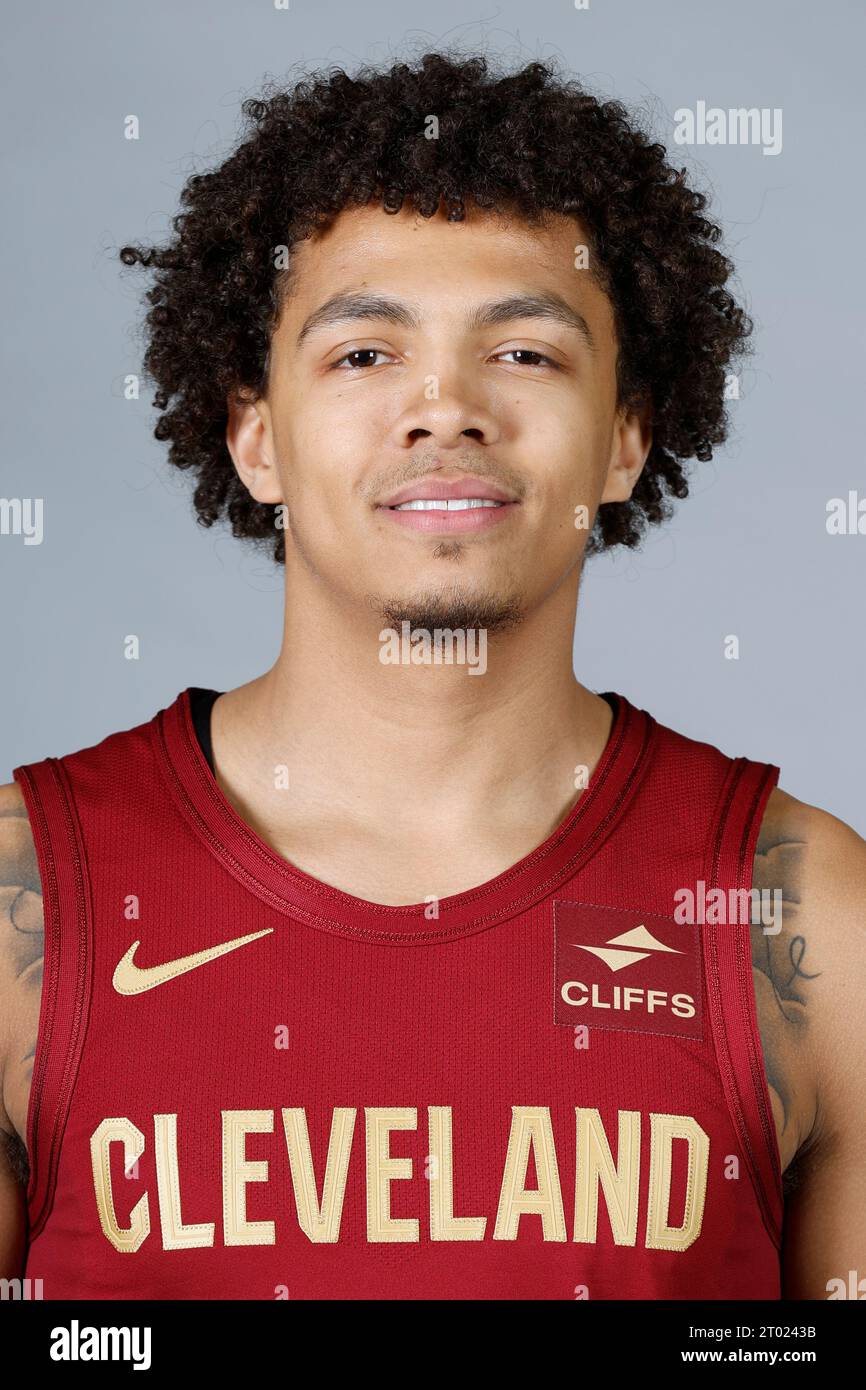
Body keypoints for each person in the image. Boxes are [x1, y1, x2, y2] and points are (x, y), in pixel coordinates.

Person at [1, 52, 863, 1301]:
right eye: (362, 356)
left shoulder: (808, 915)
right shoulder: (28, 902)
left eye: (523, 352)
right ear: (255, 438)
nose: (444, 407)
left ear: (626, 437)